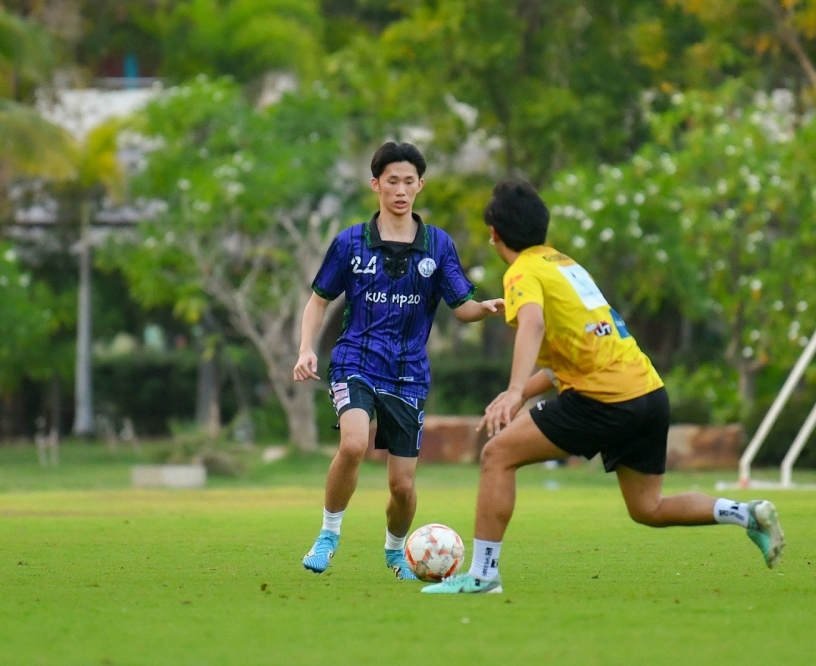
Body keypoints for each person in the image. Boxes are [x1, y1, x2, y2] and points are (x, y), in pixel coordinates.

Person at [422, 179, 785, 594]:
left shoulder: (522, 271)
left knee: (496, 455)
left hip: (604, 400)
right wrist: (524, 393)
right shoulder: (563, 265)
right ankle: (747, 514)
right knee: (648, 507)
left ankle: (483, 575)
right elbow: (571, 355)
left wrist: (514, 388)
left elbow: (532, 324)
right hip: (648, 393)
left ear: (494, 234)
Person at [293, 142, 504, 580]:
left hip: (408, 374)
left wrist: (483, 309)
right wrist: (306, 348)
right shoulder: (350, 242)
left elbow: (460, 305)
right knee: (353, 444)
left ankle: (395, 552)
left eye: (409, 181)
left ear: (420, 185)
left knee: (402, 486)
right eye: (393, 181)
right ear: (376, 185)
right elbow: (318, 300)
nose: (401, 190)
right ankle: (329, 533)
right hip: (355, 360)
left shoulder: (437, 245)